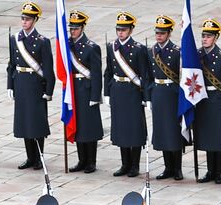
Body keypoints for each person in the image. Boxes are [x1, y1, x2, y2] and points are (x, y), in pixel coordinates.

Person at [8, 2, 53, 170]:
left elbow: (48, 68)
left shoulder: (42, 41)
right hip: (21, 83)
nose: (24, 22)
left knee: (37, 123)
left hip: (35, 85)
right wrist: (10, 85)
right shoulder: (16, 39)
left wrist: (48, 90)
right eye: (23, 19)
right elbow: (11, 64)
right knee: (24, 122)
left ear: (35, 20)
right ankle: (29, 157)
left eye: (27, 19)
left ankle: (39, 157)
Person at [104, 11, 149, 178]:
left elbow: (144, 74)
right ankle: (125, 163)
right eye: (118, 30)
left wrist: (145, 97)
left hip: (133, 91)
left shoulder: (139, 49)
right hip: (118, 90)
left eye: (124, 30)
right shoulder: (111, 47)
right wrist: (107, 92)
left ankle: (135, 165)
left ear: (131, 30)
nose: (120, 33)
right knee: (121, 128)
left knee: (134, 129)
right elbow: (108, 71)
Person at [193, 19, 221, 183]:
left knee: (219, 138)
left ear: (216, 37)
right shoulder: (197, 55)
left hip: (217, 100)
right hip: (203, 101)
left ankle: (219, 172)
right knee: (208, 138)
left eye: (208, 36)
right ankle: (210, 171)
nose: (205, 39)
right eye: (203, 36)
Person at [65, 10, 101, 173]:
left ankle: (91, 161)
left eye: (76, 28)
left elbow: (96, 73)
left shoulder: (91, 47)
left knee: (89, 127)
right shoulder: (67, 45)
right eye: (71, 28)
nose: (73, 31)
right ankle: (81, 160)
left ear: (82, 28)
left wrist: (95, 95)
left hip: (86, 90)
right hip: (73, 91)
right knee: (77, 125)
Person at [148, 15, 183, 180]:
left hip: (172, 94)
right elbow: (148, 76)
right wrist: (148, 96)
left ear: (169, 33)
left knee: (173, 131)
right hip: (158, 93)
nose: (159, 36)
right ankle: (168, 167)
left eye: (162, 33)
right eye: (157, 33)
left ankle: (177, 168)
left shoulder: (176, 52)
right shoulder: (152, 51)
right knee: (162, 130)